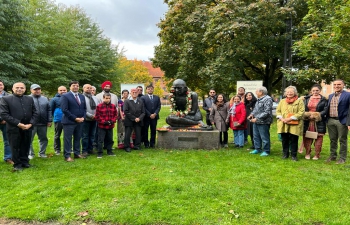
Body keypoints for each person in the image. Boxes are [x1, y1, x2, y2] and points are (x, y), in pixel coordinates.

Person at [0, 82, 38, 171]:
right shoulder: (6, 99)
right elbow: (4, 114)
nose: (19, 89)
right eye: (17, 87)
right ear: (13, 89)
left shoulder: (29, 99)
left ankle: (25, 162)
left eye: (21, 88)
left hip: (28, 126)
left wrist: (31, 123)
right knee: (15, 146)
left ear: (25, 89)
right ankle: (17, 164)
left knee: (26, 144)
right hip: (14, 127)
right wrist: (18, 124)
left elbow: (35, 112)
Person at [276, 86, 305, 161]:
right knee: (284, 139)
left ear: (295, 93)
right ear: (285, 93)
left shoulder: (299, 101)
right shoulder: (282, 101)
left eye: (291, 92)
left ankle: (294, 155)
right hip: (283, 123)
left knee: (294, 139)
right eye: (288, 92)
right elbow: (278, 111)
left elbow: (301, 112)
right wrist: (282, 119)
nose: (289, 93)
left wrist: (290, 118)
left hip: (295, 124)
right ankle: (285, 154)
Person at [60, 81, 86, 162]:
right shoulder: (65, 96)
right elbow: (64, 109)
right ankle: (67, 155)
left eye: (77, 86)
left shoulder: (82, 96)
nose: (75, 87)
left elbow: (84, 108)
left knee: (78, 138)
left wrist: (83, 117)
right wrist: (75, 118)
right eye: (73, 85)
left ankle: (77, 153)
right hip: (69, 122)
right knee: (67, 139)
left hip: (80, 122)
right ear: (70, 87)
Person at [300, 84, 328, 160]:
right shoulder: (305, 99)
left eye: (317, 90)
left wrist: (316, 115)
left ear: (320, 91)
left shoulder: (324, 99)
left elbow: (325, 110)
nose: (315, 92)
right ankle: (307, 153)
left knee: (319, 138)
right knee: (307, 137)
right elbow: (302, 108)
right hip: (307, 121)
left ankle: (317, 154)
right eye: (313, 90)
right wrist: (307, 115)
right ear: (311, 91)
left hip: (319, 121)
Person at [327, 79, 350, 164]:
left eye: (339, 84)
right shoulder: (330, 96)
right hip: (330, 120)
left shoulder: (348, 95)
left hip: (342, 121)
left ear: (343, 85)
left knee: (342, 140)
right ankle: (332, 156)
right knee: (332, 139)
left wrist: (349, 122)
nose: (336, 86)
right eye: (335, 84)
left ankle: (342, 158)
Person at [248, 86, 273, 157]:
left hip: (264, 122)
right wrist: (251, 114)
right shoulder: (259, 99)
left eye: (257, 91)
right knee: (256, 136)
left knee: (264, 137)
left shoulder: (268, 99)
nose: (256, 92)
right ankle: (257, 149)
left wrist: (257, 118)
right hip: (256, 121)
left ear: (261, 92)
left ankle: (266, 151)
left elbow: (267, 112)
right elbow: (255, 109)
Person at [28, 84, 52, 159]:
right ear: (31, 90)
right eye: (35, 89)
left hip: (43, 122)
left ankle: (42, 153)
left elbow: (49, 110)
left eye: (39, 89)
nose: (37, 91)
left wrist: (49, 120)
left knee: (43, 138)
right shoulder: (27, 98)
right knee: (29, 139)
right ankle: (31, 154)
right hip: (31, 123)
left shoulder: (45, 99)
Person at [95, 93, 117, 158]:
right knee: (100, 140)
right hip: (102, 126)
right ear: (103, 98)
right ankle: (100, 152)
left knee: (110, 139)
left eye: (109, 98)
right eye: (106, 98)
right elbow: (97, 116)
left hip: (110, 126)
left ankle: (109, 151)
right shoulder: (99, 106)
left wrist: (112, 121)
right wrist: (104, 122)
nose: (107, 100)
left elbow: (115, 115)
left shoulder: (113, 106)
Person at [82, 84, 100, 156]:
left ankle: (90, 149)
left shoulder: (95, 98)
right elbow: (82, 109)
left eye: (90, 88)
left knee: (92, 135)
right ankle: (84, 150)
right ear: (83, 89)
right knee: (85, 136)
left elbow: (98, 107)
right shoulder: (81, 97)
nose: (89, 89)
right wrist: (90, 115)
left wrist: (96, 115)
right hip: (86, 119)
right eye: (87, 88)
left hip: (94, 119)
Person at [50, 86, 67, 155]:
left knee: (67, 135)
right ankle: (57, 149)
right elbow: (51, 109)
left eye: (64, 90)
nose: (63, 91)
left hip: (68, 119)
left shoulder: (69, 97)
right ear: (58, 91)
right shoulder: (54, 99)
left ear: (66, 90)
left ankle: (67, 148)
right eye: (61, 90)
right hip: (58, 119)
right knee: (57, 135)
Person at [0, 80, 13, 164]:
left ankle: (8, 158)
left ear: (3, 86)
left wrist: (6, 119)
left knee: (7, 140)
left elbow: (11, 109)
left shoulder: (9, 96)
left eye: (1, 85)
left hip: (6, 121)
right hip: (2, 120)